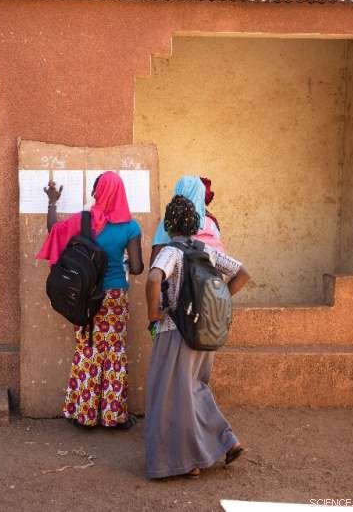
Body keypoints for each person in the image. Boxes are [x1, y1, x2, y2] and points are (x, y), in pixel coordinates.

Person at [144, 194, 250, 480]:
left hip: (175, 332)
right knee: (194, 390)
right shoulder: (207, 250)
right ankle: (227, 441)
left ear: (169, 224)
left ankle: (186, 463)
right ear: (195, 223)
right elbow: (242, 273)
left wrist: (153, 314)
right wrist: (218, 303)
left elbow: (154, 278)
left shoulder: (171, 251)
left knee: (168, 397)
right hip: (205, 331)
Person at [37, 171, 144, 429]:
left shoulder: (85, 221)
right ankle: (112, 415)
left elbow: (53, 229)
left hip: (87, 295)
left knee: (88, 348)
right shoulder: (131, 226)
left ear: (97, 192)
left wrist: (52, 201)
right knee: (114, 350)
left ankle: (84, 414)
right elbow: (139, 267)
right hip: (116, 294)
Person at [150, 175, 224, 264]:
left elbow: (155, 260)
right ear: (200, 195)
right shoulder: (210, 222)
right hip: (210, 273)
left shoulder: (170, 219)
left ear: (178, 191)